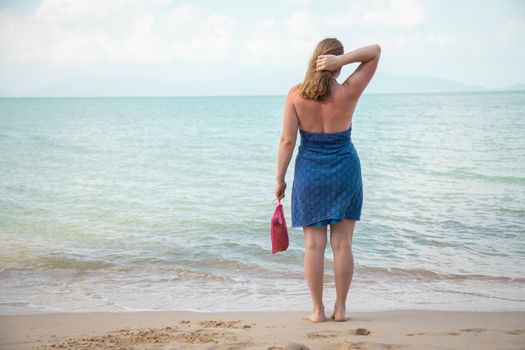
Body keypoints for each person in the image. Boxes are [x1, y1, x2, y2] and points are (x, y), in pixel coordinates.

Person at [274, 38, 381, 323]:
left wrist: (280, 179)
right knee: (343, 244)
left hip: (310, 172)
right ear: (334, 62)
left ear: (314, 59)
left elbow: (287, 141)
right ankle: (341, 309)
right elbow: (374, 52)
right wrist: (342, 63)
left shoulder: (296, 95)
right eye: (337, 60)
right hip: (345, 169)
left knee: (313, 246)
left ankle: (318, 311)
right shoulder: (349, 91)